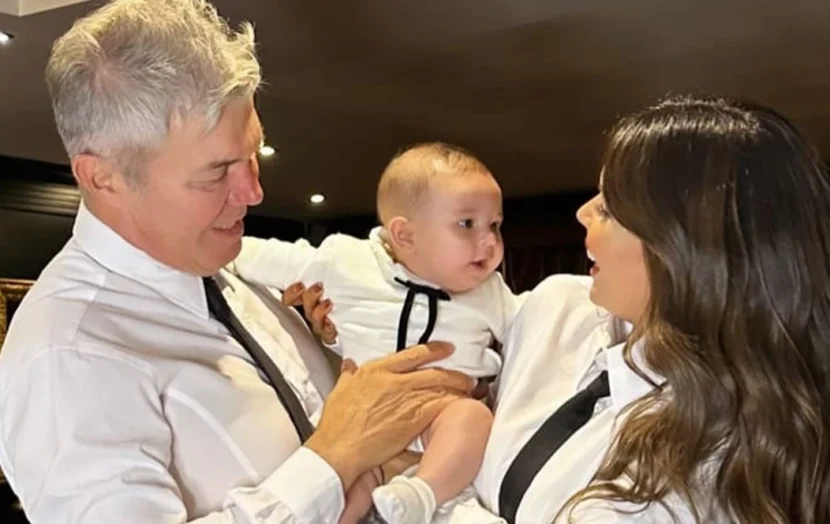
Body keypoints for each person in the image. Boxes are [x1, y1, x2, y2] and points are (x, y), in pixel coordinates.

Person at [0, 1, 475, 523]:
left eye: (253, 154)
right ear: (102, 178)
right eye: (216, 173)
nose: (253, 192)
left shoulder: (241, 280)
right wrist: (333, 458)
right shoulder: (67, 355)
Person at [307, 95, 830, 523]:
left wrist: (417, 493)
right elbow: (438, 332)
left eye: (609, 207)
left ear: (684, 247)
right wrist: (337, 322)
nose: (581, 213)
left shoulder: (714, 463)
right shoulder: (558, 305)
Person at [231, 142, 520, 524]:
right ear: (405, 235)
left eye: (495, 225)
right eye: (467, 224)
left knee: (471, 417)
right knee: (341, 500)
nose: (489, 241)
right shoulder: (347, 262)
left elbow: (540, 325)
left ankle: (421, 494)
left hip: (441, 429)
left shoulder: (491, 293)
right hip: (361, 436)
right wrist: (229, 256)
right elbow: (264, 257)